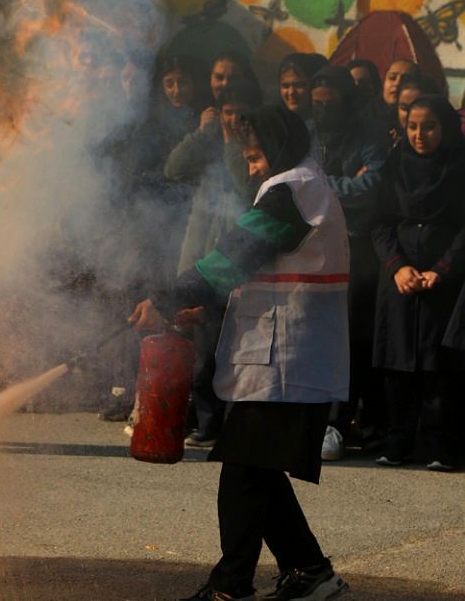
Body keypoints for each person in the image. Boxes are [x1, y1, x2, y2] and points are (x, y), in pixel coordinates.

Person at [131, 105, 350, 601]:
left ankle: (232, 586)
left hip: (288, 359)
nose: (250, 166)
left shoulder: (290, 190)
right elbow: (256, 270)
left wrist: (167, 298)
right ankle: (310, 571)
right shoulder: (302, 186)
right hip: (286, 355)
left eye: (254, 157)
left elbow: (234, 256)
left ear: (277, 146)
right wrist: (197, 307)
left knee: (244, 474)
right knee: (257, 469)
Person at [95, 53, 208, 422]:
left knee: (178, 313)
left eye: (184, 82)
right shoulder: (150, 125)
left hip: (186, 232)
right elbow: (143, 178)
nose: (177, 90)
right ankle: (137, 393)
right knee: (142, 310)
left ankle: (178, 398)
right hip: (147, 230)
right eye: (170, 83)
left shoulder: (204, 123)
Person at [163, 79, 263, 445]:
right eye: (226, 113)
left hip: (237, 264)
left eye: (239, 113)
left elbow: (243, 186)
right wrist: (201, 135)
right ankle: (207, 424)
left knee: (234, 349)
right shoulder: (209, 144)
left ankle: (233, 425)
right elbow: (173, 169)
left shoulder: (252, 151)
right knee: (203, 353)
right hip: (203, 257)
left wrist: (232, 144)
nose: (232, 119)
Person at [371, 95, 465, 471]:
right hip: (400, 278)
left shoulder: (459, 167)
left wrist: (442, 269)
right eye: (412, 126)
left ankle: (439, 443)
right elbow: (379, 223)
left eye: (428, 126)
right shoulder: (394, 166)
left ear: (444, 126)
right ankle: (398, 440)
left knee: (437, 362)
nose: (420, 134)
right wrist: (398, 267)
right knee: (398, 359)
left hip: (445, 280)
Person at [307, 66, 389, 460]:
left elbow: (371, 188)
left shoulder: (368, 133)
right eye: (317, 102)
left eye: (330, 102)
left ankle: (338, 423)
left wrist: (323, 184)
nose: (323, 110)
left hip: (357, 248)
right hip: (315, 246)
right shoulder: (309, 132)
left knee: (351, 339)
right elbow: (295, 184)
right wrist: (336, 184)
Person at [278, 52, 328, 125]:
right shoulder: (276, 124)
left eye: (299, 85)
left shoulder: (324, 126)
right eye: (285, 86)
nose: (291, 92)